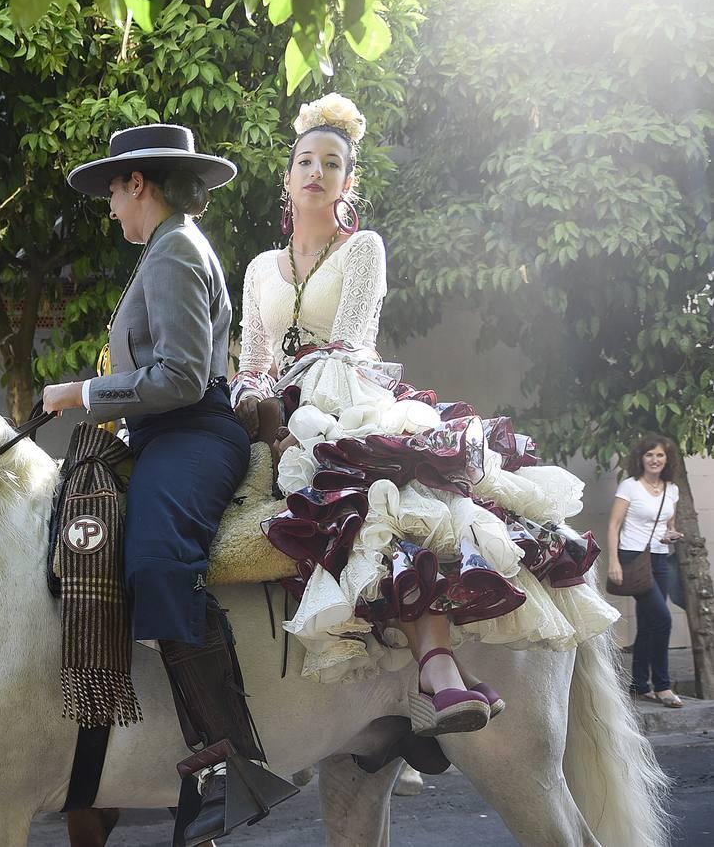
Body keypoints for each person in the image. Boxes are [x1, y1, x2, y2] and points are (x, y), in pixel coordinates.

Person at [233, 93, 617, 736]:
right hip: (272, 410)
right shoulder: (257, 269)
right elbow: (251, 356)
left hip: (344, 394)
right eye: (305, 161)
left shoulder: (365, 250)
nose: (316, 172)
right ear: (287, 176)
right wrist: (252, 399)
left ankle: (436, 667)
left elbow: (352, 341)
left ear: (347, 183)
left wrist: (289, 399)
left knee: (391, 491)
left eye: (332, 164)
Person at [45, 124, 292, 845]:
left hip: (190, 433)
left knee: (156, 562)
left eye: (114, 193)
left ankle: (225, 767)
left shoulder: (175, 252)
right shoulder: (163, 250)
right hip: (159, 435)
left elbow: (182, 377)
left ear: (138, 185)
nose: (110, 208)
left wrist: (85, 393)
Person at [606, 434, 685, 707]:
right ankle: (663, 686)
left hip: (660, 559)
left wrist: (671, 535)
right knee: (663, 620)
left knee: (650, 624)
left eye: (660, 455)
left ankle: (639, 684)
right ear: (641, 458)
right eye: (649, 454)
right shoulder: (630, 486)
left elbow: (668, 525)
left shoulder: (671, 489)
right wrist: (614, 562)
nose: (654, 459)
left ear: (667, 459)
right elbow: (614, 526)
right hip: (632, 558)